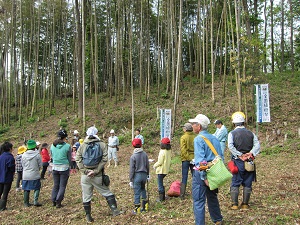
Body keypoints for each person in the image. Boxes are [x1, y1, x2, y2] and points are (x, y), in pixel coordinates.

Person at [76, 126, 123, 223]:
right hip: (97, 175)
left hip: (85, 176)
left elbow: (78, 159)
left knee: (86, 196)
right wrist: (96, 170)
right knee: (106, 192)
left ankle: (88, 217)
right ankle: (115, 210)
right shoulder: (102, 144)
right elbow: (105, 159)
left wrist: (85, 171)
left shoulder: (83, 145)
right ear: (96, 133)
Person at [189, 114, 223, 225]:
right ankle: (218, 219)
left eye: (194, 124)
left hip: (202, 174)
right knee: (212, 196)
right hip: (214, 171)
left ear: (199, 126)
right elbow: (220, 157)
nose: (192, 126)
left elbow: (201, 162)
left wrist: (204, 177)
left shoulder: (198, 139)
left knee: (199, 201)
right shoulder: (214, 138)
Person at [228, 112, 260, 210]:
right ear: (244, 122)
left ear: (234, 124)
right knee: (248, 182)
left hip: (237, 161)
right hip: (249, 161)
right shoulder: (251, 133)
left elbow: (230, 146)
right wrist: (250, 153)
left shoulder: (232, 133)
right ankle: (245, 204)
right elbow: (257, 145)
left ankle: (234, 204)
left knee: (235, 182)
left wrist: (240, 154)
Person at [50, 129, 71, 208]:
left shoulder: (52, 145)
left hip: (55, 167)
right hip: (64, 168)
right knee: (62, 186)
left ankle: (53, 199)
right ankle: (58, 201)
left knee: (56, 185)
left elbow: (51, 155)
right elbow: (69, 158)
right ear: (65, 137)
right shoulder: (67, 146)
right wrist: (72, 167)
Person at [129, 138, 150, 214]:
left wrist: (131, 180)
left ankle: (137, 208)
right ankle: (145, 207)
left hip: (137, 175)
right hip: (144, 175)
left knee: (137, 192)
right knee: (143, 189)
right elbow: (147, 165)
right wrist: (148, 174)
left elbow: (132, 169)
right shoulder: (145, 154)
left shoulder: (133, 156)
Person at [22, 140, 43, 207]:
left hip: (26, 174)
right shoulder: (37, 155)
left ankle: (26, 203)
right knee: (37, 187)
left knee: (26, 189)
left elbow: (23, 164)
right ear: (34, 146)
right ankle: (35, 201)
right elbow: (40, 165)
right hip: (35, 174)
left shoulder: (23, 155)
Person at [180, 123, 196, 199]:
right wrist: (192, 158)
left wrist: (188, 157)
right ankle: (196, 192)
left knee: (184, 176)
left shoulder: (183, 137)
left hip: (186, 159)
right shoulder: (195, 137)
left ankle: (182, 195)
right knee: (195, 176)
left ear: (185, 129)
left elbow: (183, 150)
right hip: (194, 158)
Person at [153, 137, 171, 202]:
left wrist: (154, 165)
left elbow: (160, 162)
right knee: (161, 182)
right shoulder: (169, 151)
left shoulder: (162, 152)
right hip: (166, 169)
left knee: (160, 184)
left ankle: (161, 198)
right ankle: (163, 196)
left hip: (161, 170)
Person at [0, 142, 15, 211]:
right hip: (7, 177)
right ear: (9, 148)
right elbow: (11, 167)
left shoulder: (1, 156)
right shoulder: (10, 157)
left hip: (0, 177)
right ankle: (2, 207)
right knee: (5, 193)